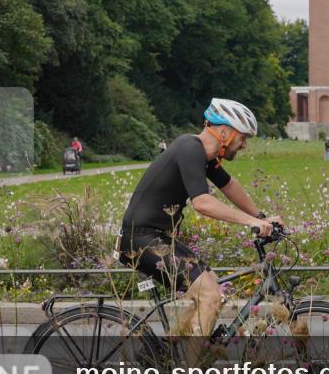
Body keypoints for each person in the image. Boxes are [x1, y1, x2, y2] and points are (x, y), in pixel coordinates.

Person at [117, 98, 278, 345]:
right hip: (140, 238)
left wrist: (260, 218)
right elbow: (202, 203)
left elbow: (229, 185)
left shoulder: (205, 156)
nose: (244, 145)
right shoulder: (189, 147)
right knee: (209, 295)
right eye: (243, 137)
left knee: (211, 284)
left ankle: (185, 351)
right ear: (224, 131)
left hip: (158, 237)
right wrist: (248, 222)